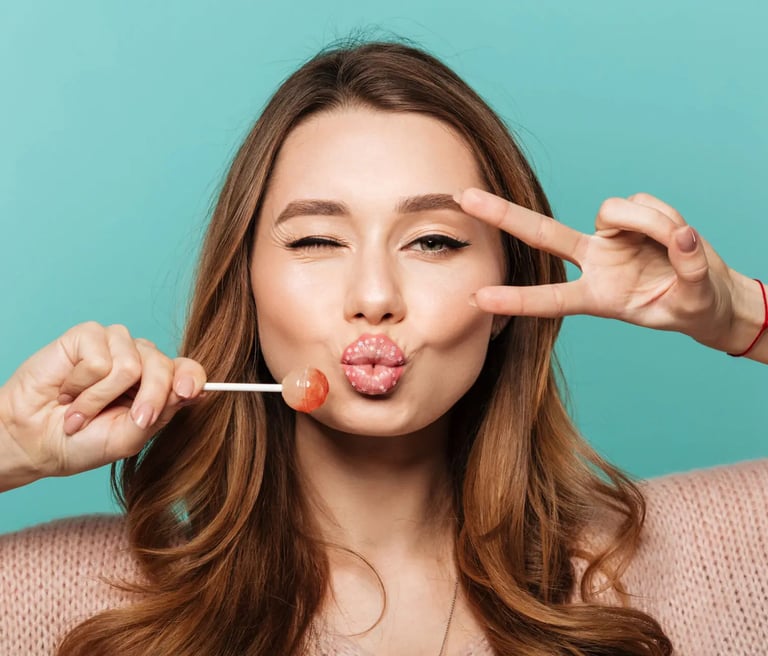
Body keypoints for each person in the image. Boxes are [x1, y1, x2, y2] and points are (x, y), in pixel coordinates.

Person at [1, 39, 766, 656]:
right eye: (316, 239)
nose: (374, 294)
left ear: (509, 296)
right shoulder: (71, 595)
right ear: (250, 287)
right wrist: (11, 445)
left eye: (432, 241)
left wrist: (741, 318)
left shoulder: (699, 561)